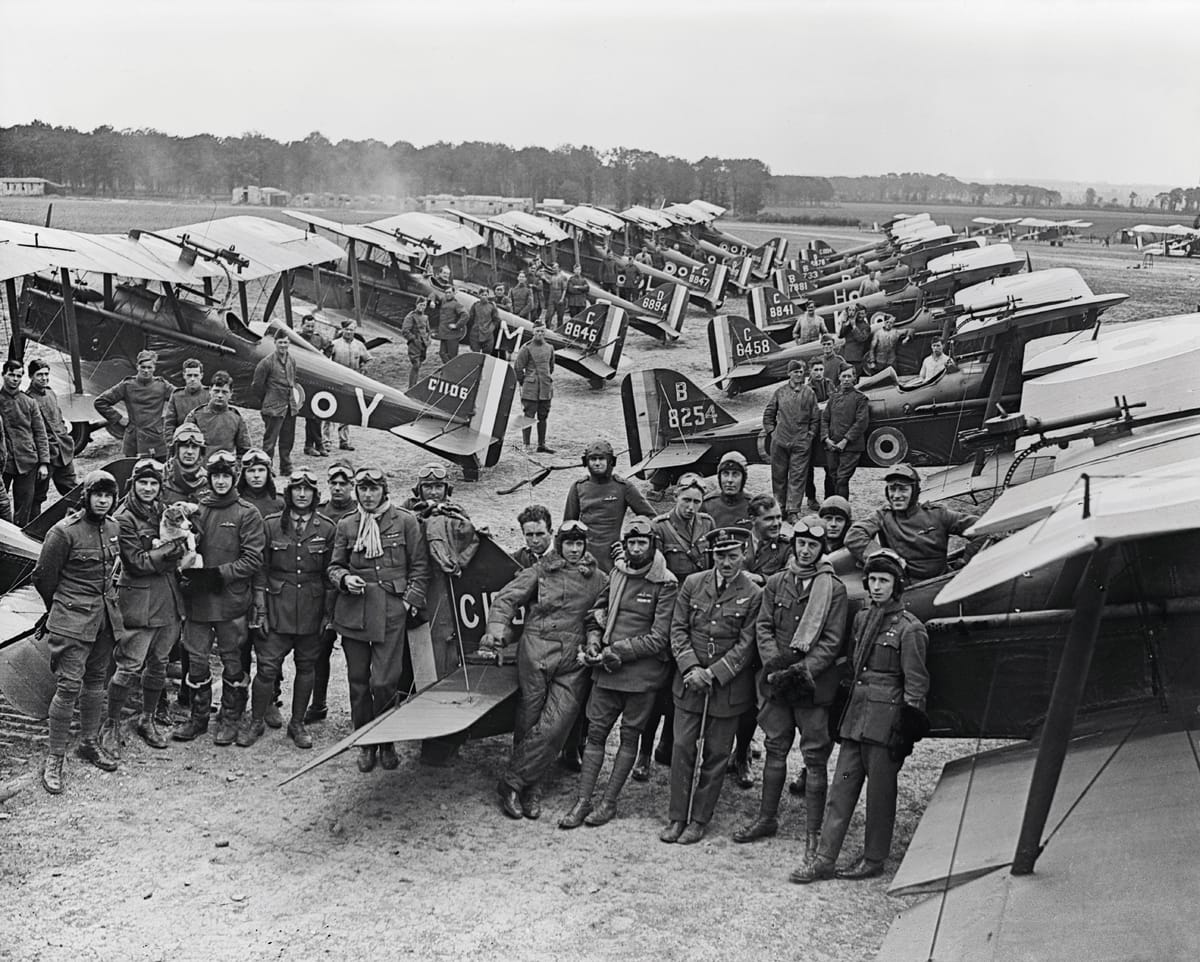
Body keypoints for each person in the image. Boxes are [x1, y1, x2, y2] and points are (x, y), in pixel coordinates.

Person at [792, 549, 929, 884]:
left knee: (881, 793)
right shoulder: (862, 618)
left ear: (898, 586)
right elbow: (855, 667)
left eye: (885, 581)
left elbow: (916, 683)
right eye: (872, 580)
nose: (877, 586)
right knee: (841, 788)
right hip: (857, 715)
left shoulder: (910, 629)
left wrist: (907, 727)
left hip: (887, 721)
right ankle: (824, 859)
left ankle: (874, 857)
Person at [735, 518, 848, 864]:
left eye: (813, 545)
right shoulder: (776, 582)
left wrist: (800, 672)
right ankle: (767, 818)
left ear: (821, 549)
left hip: (812, 687)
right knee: (774, 748)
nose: (805, 550)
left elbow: (831, 641)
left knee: (814, 758)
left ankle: (814, 830)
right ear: (794, 545)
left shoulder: (834, 588)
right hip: (776, 682)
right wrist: (775, 667)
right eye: (801, 543)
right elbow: (764, 626)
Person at [479, 519, 606, 820]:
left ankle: (512, 782)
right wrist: (496, 630)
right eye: (569, 543)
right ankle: (531, 790)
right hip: (536, 651)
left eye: (579, 544)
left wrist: (593, 640)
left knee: (555, 726)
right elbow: (507, 599)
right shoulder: (539, 570)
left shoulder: (599, 578)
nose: (574, 550)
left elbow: (598, 617)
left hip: (573, 660)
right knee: (529, 720)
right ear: (559, 544)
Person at [560, 518, 678, 829]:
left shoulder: (666, 583)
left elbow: (659, 638)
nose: (636, 549)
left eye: (642, 543)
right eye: (631, 543)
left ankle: (609, 801)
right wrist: (595, 639)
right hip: (606, 672)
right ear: (624, 545)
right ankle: (583, 800)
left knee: (629, 737)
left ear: (653, 545)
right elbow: (597, 613)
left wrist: (617, 651)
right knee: (596, 734)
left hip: (642, 675)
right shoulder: (617, 573)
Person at [660, 527, 763, 845]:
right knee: (681, 749)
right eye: (721, 556)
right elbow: (677, 629)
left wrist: (713, 673)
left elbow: (746, 646)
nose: (727, 562)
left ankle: (699, 819)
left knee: (717, 754)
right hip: (689, 683)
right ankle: (678, 816)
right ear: (712, 556)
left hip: (727, 689)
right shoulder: (692, 584)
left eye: (733, 556)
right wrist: (692, 668)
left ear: (744, 555)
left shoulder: (754, 594)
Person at [327, 467, 429, 773]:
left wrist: (409, 601)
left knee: (385, 681)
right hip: (354, 610)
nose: (368, 495)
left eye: (373, 489)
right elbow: (333, 567)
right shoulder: (347, 524)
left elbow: (420, 567)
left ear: (384, 491)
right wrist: (345, 579)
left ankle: (386, 740)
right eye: (363, 489)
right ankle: (366, 741)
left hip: (390, 610)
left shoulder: (405, 521)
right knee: (358, 682)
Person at [34, 470, 123, 794]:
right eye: (97, 494)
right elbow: (43, 577)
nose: (103, 500)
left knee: (96, 682)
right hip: (71, 622)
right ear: (85, 497)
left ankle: (88, 740)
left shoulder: (114, 527)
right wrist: (61, 608)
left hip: (103, 621)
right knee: (69, 686)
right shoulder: (63, 532)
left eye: (108, 495)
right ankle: (55, 756)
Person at [171, 450, 266, 746]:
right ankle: (198, 718)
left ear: (234, 478)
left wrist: (218, 574)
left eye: (226, 476)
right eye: (216, 476)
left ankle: (230, 718)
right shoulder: (199, 510)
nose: (221, 481)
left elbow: (253, 560)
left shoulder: (247, 513)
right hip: (199, 601)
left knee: (233, 662)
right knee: (197, 660)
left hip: (231, 601)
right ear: (209, 479)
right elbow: (184, 547)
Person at [240, 469, 335, 750]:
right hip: (276, 607)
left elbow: (330, 576)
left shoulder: (327, 528)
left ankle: (297, 723)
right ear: (288, 493)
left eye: (307, 490)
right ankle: (256, 720)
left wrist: (328, 615)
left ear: (315, 495)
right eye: (296, 489)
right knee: (267, 669)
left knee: (306, 668)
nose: (302, 494)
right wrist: (260, 609)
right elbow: (260, 570)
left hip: (311, 609)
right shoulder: (270, 525)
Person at [105, 458, 184, 753]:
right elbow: (136, 563)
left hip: (169, 598)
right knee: (129, 666)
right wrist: (170, 551)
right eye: (143, 483)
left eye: (154, 483)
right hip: (139, 600)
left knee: (159, 664)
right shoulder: (123, 518)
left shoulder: (163, 512)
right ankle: (111, 724)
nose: (149, 489)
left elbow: (182, 544)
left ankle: (147, 718)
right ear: (133, 485)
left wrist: (176, 550)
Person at [639, 473, 714, 780]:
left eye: (697, 501)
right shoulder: (658, 527)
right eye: (686, 500)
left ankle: (668, 745)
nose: (691, 507)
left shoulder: (707, 524)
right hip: (669, 613)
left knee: (682, 687)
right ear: (675, 498)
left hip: (696, 615)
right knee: (657, 690)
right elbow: (651, 570)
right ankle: (644, 752)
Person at [845, 463, 980, 582]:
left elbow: (983, 527)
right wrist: (885, 557)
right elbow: (854, 535)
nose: (896, 495)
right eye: (892, 489)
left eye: (903, 489)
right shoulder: (883, 515)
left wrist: (967, 559)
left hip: (940, 581)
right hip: (907, 586)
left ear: (914, 491)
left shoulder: (937, 514)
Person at [304, 460, 358, 725]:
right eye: (333, 483)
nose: (338, 488)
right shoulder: (320, 512)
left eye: (343, 483)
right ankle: (319, 703)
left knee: (355, 654)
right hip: (323, 591)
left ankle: (358, 709)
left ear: (352, 485)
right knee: (320, 648)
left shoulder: (362, 512)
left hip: (351, 593)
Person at [563, 439, 654, 576]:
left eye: (601, 459)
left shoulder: (623, 487)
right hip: (584, 555)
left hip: (613, 556)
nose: (597, 463)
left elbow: (650, 517)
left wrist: (627, 544)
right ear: (586, 462)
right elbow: (568, 525)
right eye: (593, 459)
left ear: (611, 461)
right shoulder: (578, 487)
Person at [763, 360, 819, 521]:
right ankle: (780, 508)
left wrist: (809, 436)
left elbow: (815, 418)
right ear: (789, 374)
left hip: (801, 442)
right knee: (778, 476)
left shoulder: (809, 393)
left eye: (801, 372)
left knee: (798, 476)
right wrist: (772, 432)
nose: (799, 375)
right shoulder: (780, 392)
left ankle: (793, 510)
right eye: (795, 372)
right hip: (780, 441)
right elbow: (768, 414)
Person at [93, 349, 171, 458]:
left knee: (159, 470)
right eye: (143, 367)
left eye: (149, 367)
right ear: (137, 367)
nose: (146, 371)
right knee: (131, 470)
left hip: (155, 439)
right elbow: (100, 402)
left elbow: (179, 399)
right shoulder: (127, 385)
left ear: (154, 368)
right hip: (133, 439)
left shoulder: (162, 385)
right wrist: (118, 418)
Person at [24, 358, 77, 518]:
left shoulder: (51, 393)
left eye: (46, 374)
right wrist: (43, 463)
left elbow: (59, 419)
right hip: (45, 456)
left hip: (63, 452)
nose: (44, 378)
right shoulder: (27, 400)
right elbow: (31, 434)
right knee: (38, 496)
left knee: (74, 491)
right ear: (31, 376)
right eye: (39, 375)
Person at [1, 358, 50, 525]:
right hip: (4, 463)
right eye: (11, 375)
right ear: (3, 375)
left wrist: (43, 462)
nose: (15, 379)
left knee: (24, 508)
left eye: (19, 376)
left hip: (27, 461)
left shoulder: (29, 402)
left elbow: (40, 433)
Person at [251, 331, 303, 477]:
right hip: (273, 407)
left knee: (288, 438)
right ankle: (267, 466)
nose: (283, 346)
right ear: (275, 343)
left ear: (289, 344)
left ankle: (286, 466)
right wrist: (267, 400)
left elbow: (292, 381)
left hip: (289, 406)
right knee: (270, 441)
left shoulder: (291, 360)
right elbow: (256, 385)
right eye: (280, 342)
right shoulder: (266, 362)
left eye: (286, 342)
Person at [821, 367, 869, 499]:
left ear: (854, 378)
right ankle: (830, 509)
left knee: (842, 479)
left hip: (851, 447)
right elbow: (825, 418)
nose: (846, 380)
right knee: (833, 476)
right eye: (844, 376)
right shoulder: (834, 397)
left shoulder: (860, 398)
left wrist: (845, 441)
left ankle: (841, 511)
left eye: (849, 376)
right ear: (839, 378)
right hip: (832, 445)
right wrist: (826, 438)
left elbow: (861, 422)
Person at [183, 370, 250, 459]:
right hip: (200, 468)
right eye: (216, 391)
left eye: (224, 392)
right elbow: (184, 446)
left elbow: (244, 450)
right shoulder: (195, 416)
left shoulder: (236, 418)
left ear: (231, 393)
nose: (220, 395)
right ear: (210, 390)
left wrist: (235, 467)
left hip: (227, 467)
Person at [513, 322, 555, 453]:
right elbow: (518, 368)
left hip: (545, 388)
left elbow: (550, 367)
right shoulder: (526, 348)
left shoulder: (549, 348)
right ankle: (526, 445)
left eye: (542, 331)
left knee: (543, 416)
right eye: (537, 331)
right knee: (528, 417)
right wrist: (525, 381)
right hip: (531, 389)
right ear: (533, 332)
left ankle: (541, 444)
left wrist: (545, 379)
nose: (540, 334)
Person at [298, 318, 333, 456]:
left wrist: (324, 360)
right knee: (310, 414)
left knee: (315, 414)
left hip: (316, 378)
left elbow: (329, 346)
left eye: (312, 326)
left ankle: (313, 445)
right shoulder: (297, 338)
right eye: (307, 326)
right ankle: (315, 445)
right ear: (302, 326)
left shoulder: (318, 339)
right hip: (302, 380)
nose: (310, 329)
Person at [701, 451, 754, 530]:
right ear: (719, 477)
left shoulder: (753, 505)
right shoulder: (707, 505)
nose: (730, 480)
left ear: (743, 478)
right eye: (725, 474)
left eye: (735, 474)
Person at [162, 358, 210, 441]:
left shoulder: (209, 395)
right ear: (184, 375)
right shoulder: (176, 396)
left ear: (201, 375)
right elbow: (169, 425)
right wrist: (171, 445)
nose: (192, 379)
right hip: (182, 443)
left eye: (196, 375)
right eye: (189, 375)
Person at [400, 299, 432, 391]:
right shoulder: (411, 316)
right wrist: (413, 339)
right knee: (416, 364)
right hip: (414, 343)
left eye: (424, 305)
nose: (422, 307)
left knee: (420, 363)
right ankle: (411, 386)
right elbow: (405, 330)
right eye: (421, 305)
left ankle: (414, 384)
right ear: (416, 305)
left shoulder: (425, 317)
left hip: (423, 344)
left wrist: (428, 339)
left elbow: (428, 330)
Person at [432, 286, 468, 364]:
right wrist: (432, 301)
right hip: (444, 333)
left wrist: (457, 325)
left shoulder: (456, 304)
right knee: (442, 353)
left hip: (452, 335)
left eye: (449, 292)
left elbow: (465, 315)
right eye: (446, 293)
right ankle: (449, 368)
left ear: (454, 294)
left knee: (452, 356)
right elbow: (434, 294)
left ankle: (452, 370)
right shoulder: (443, 301)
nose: (447, 294)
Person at [513, 503, 553, 568]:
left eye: (540, 534)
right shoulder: (520, 557)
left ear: (550, 533)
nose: (535, 540)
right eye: (529, 535)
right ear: (523, 534)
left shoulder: (565, 556)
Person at [838, 306, 873, 377]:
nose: (860, 316)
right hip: (846, 356)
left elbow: (861, 339)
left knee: (854, 378)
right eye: (858, 313)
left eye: (862, 314)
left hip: (856, 358)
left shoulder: (866, 326)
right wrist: (846, 323)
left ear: (865, 315)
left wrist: (854, 326)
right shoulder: (849, 323)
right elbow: (841, 335)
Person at [467, 288, 501, 356]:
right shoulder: (475, 305)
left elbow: (496, 319)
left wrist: (491, 328)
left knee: (487, 353)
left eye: (486, 295)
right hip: (476, 333)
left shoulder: (491, 306)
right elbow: (471, 318)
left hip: (488, 333)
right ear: (479, 295)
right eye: (482, 295)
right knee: (475, 353)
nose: (484, 297)